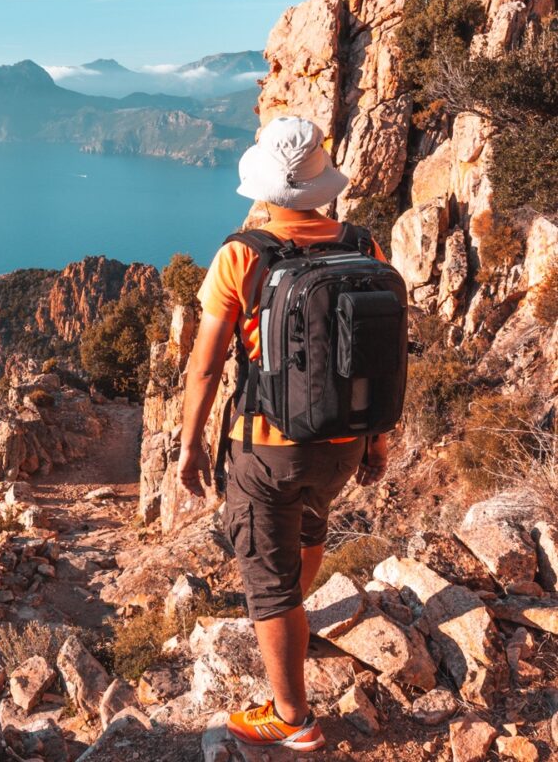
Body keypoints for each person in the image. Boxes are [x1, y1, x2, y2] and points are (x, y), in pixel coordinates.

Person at [177, 115, 391, 753]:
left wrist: (189, 447)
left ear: (268, 186)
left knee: (267, 582)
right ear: (321, 184)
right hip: (344, 442)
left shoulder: (242, 254)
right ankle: (295, 626)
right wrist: (377, 440)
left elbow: (207, 365)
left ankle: (292, 718)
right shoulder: (365, 245)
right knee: (311, 526)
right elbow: (377, 357)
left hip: (268, 449)